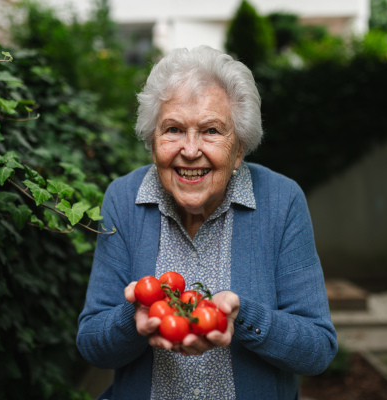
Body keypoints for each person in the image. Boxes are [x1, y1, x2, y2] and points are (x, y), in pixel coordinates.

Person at [76, 45, 337, 400]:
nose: (190, 149)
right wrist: (132, 319)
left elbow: (318, 349)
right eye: (173, 129)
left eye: (211, 130)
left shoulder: (281, 200)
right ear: (153, 144)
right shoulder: (123, 199)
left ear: (239, 149)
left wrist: (244, 317)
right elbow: (91, 343)